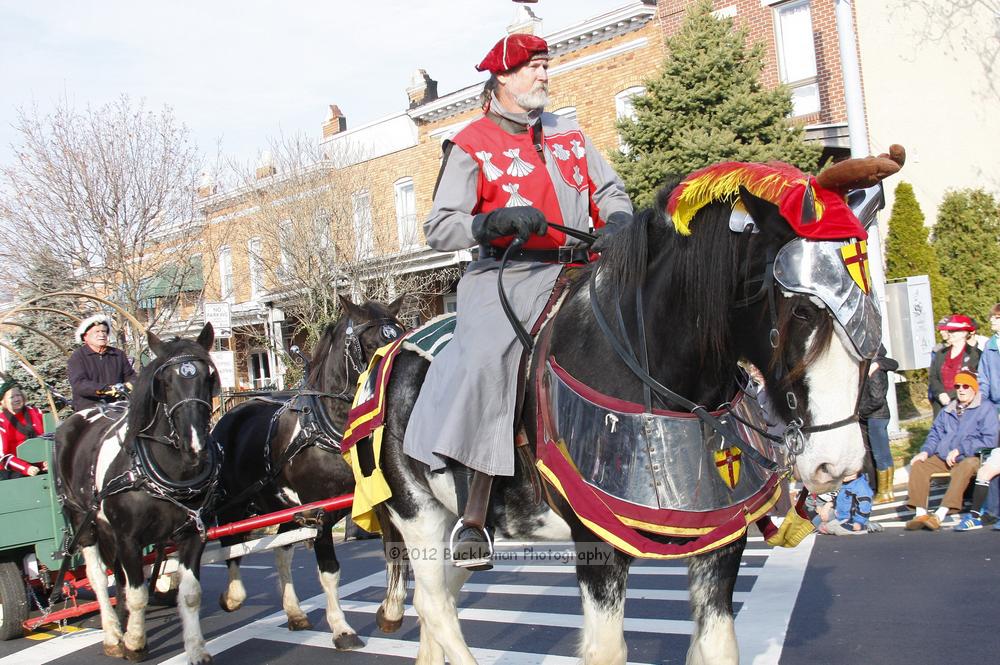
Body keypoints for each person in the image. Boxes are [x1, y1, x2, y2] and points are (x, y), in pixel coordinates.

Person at [402, 33, 633, 568]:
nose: (544, 76)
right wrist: (490, 221)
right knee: (489, 359)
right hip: (506, 276)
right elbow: (439, 228)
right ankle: (476, 514)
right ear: (502, 77)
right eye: (534, 68)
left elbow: (609, 192)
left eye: (547, 66)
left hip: (583, 268)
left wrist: (618, 220)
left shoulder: (569, 134)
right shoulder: (470, 143)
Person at [904, 371, 999, 530]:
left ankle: (940, 514)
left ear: (974, 388)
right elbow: (935, 433)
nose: (961, 389)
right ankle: (920, 513)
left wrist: (960, 450)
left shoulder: (985, 408)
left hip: (972, 456)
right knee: (920, 464)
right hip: (944, 455)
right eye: (957, 386)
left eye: (965, 386)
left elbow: (990, 439)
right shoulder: (949, 408)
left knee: (964, 467)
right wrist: (925, 451)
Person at [955, 302, 1000, 530]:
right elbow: (983, 379)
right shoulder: (992, 345)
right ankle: (992, 512)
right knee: (992, 459)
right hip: (996, 408)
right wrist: (987, 407)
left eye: (995, 318)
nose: (991, 321)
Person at [67, 314, 136, 411]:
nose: (102, 334)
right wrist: (106, 389)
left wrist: (128, 386)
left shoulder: (118, 355)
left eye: (104, 331)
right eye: (97, 331)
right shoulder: (78, 357)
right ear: (85, 336)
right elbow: (79, 384)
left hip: (118, 406)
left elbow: (131, 376)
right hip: (88, 409)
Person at [859, 346, 899, 503]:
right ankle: (887, 491)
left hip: (876, 415)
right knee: (884, 453)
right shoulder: (875, 366)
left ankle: (884, 492)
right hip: (878, 415)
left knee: (880, 454)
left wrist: (861, 411)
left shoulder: (874, 369)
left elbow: (876, 398)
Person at [927, 314, 980, 417]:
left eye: (953, 331)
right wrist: (940, 394)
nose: (950, 333)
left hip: (965, 404)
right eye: (949, 331)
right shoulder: (940, 354)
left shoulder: (975, 354)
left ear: (964, 333)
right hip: (941, 404)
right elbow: (933, 377)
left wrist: (951, 396)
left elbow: (973, 380)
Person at [0, 382, 46, 478]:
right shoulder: (1, 422)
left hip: (40, 465)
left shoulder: (36, 413)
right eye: (12, 397)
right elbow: (2, 457)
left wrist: (48, 461)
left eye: (18, 395)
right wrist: (26, 468)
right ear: (2, 402)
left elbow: (49, 438)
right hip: (12, 469)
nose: (17, 399)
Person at [812, 472, 881, 535]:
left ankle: (866, 527)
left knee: (836, 530)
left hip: (851, 519)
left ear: (854, 474)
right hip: (840, 515)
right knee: (815, 522)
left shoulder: (861, 487)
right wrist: (829, 506)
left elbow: (864, 507)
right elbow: (840, 499)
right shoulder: (845, 483)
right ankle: (830, 526)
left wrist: (858, 522)